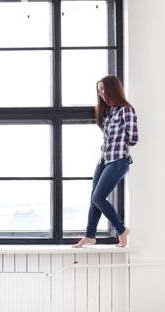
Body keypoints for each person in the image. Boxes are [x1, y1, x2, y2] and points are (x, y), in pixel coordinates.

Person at [72, 75, 139, 248]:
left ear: (112, 89)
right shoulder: (109, 113)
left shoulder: (126, 110)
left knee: (99, 197)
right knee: (94, 197)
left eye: (103, 89)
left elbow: (134, 138)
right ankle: (90, 235)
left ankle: (122, 230)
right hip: (103, 160)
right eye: (99, 90)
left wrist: (120, 140)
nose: (101, 93)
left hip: (119, 160)